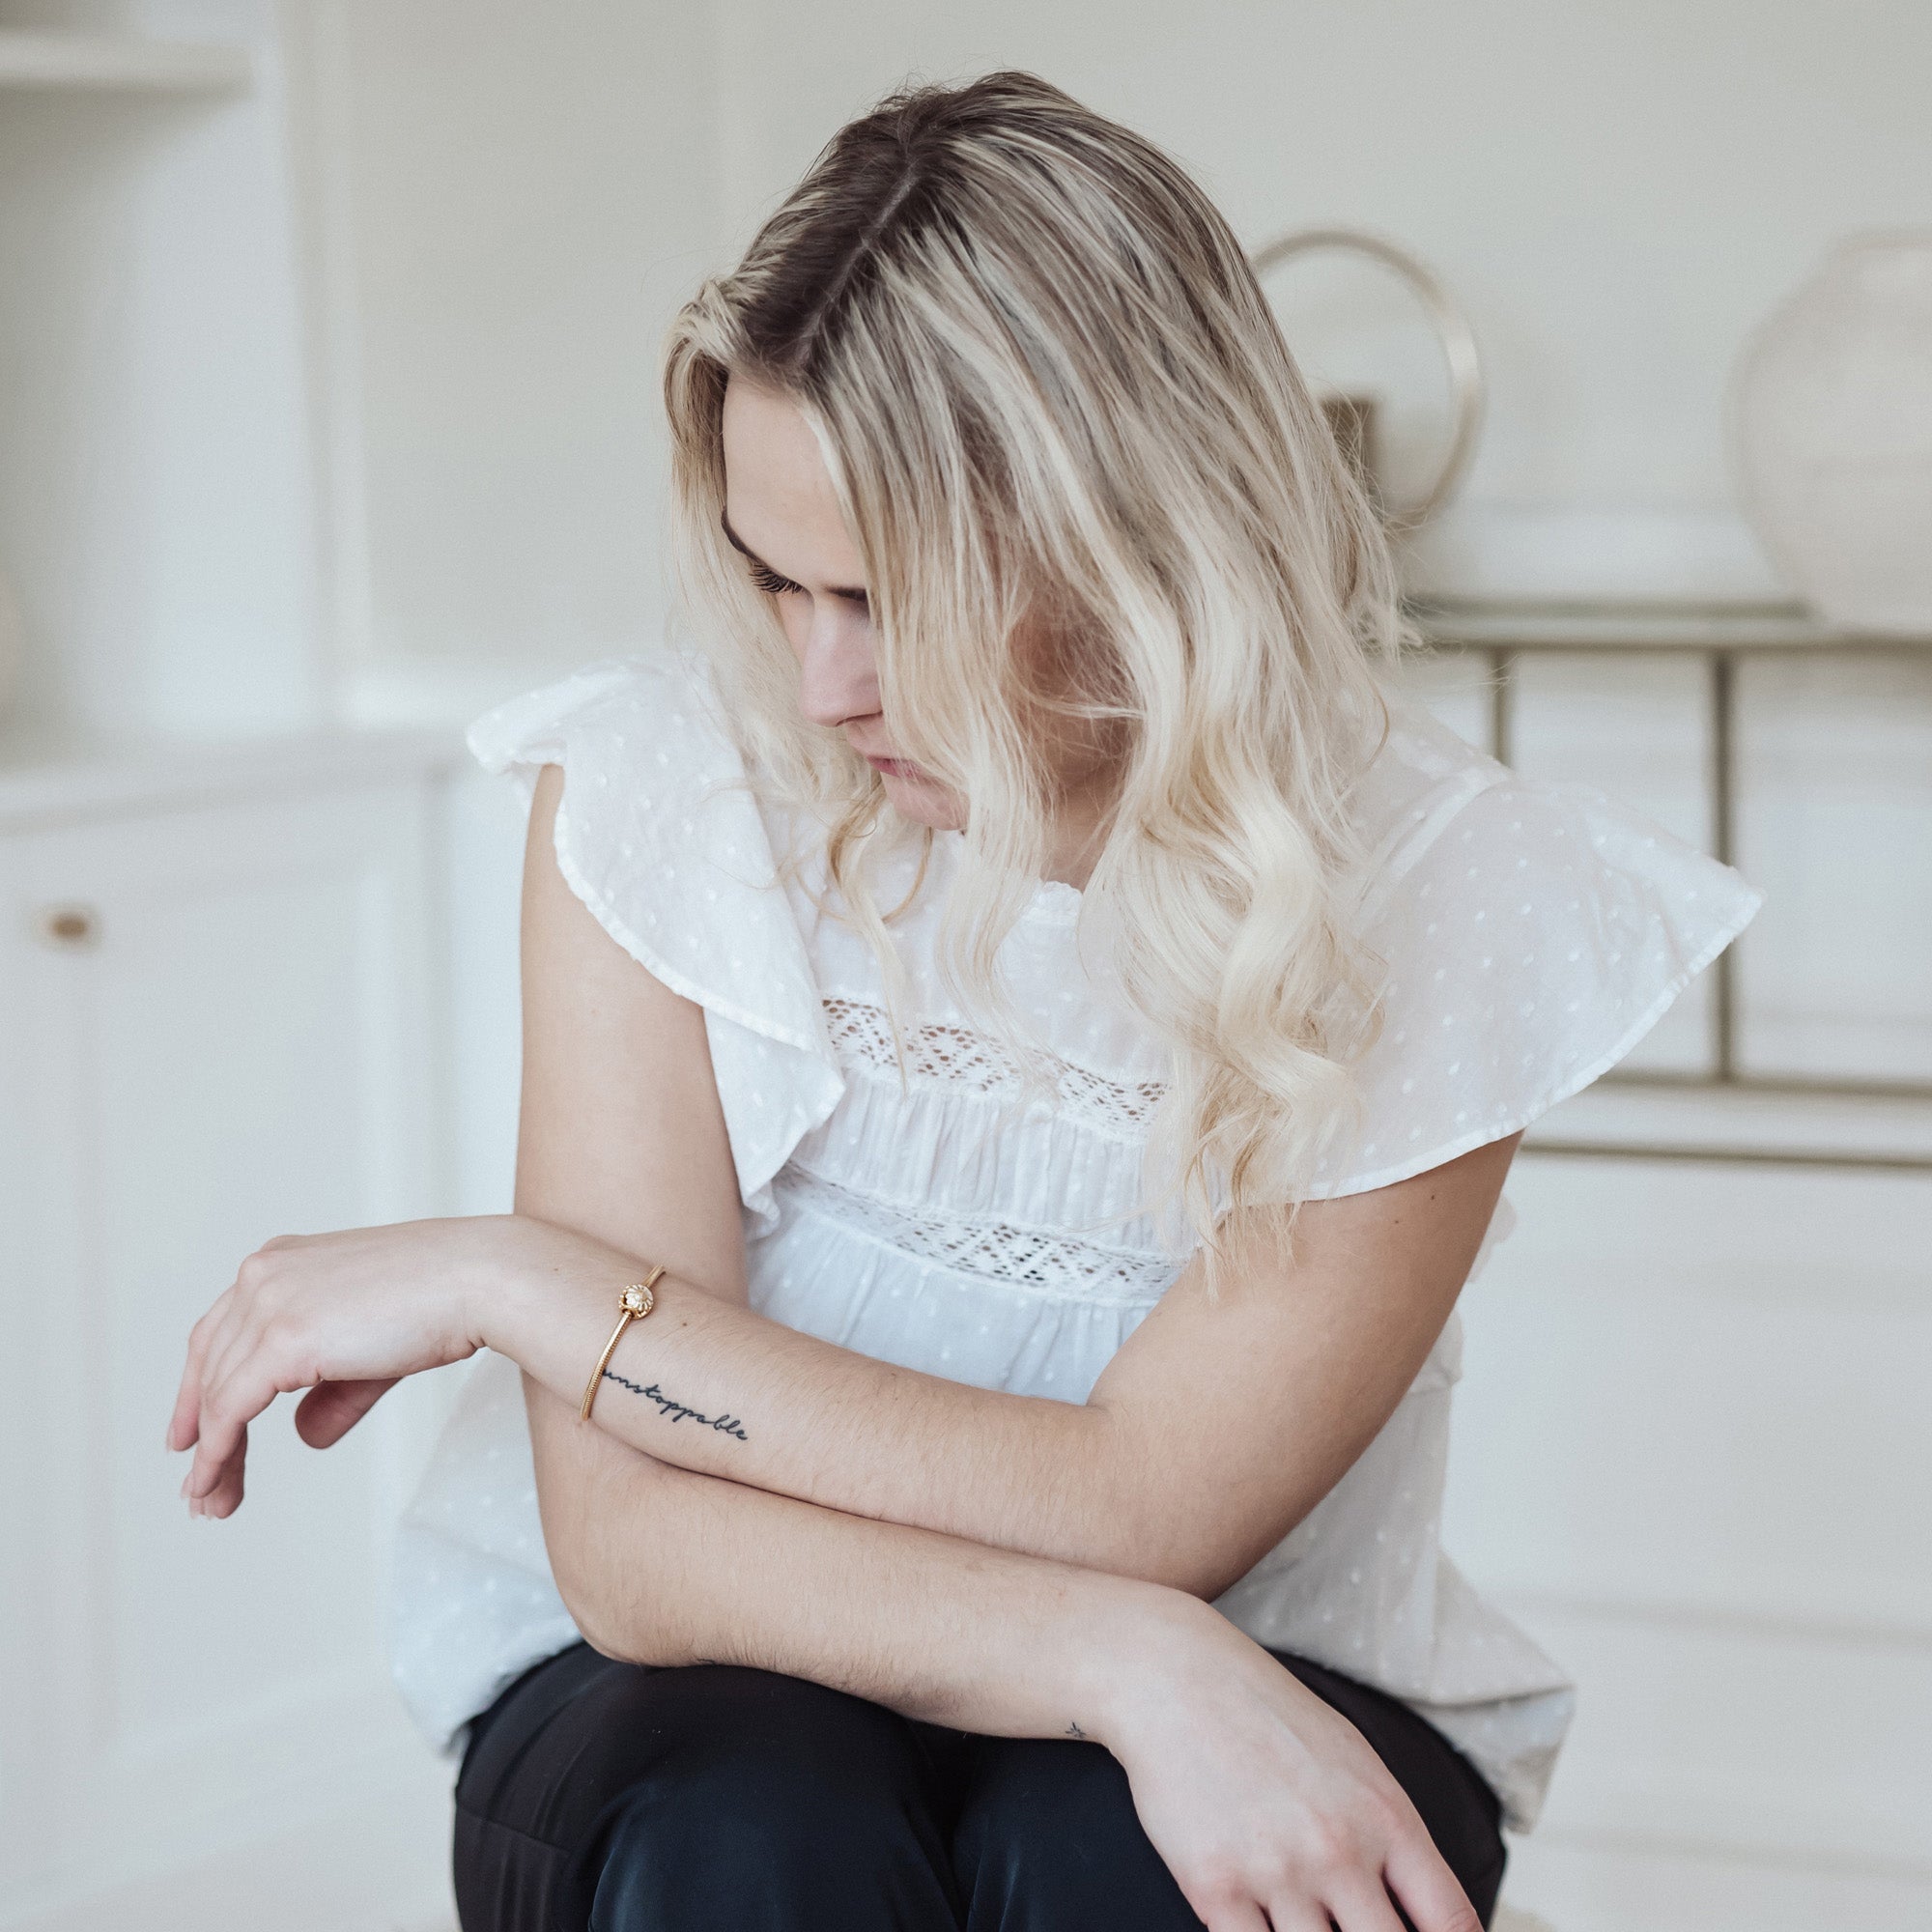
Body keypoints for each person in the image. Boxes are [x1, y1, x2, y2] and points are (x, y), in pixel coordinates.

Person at [165, 71, 1760, 1932]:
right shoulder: (664, 788)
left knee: (1106, 1860)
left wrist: (521, 1285)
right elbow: (632, 1550)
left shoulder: (1446, 893)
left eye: (885, 595)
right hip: (677, 1690)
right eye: (776, 583)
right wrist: (1121, 1660)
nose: (820, 682)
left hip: (1270, 1646)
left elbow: (1149, 1509)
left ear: (1138, 539)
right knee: (746, 1828)